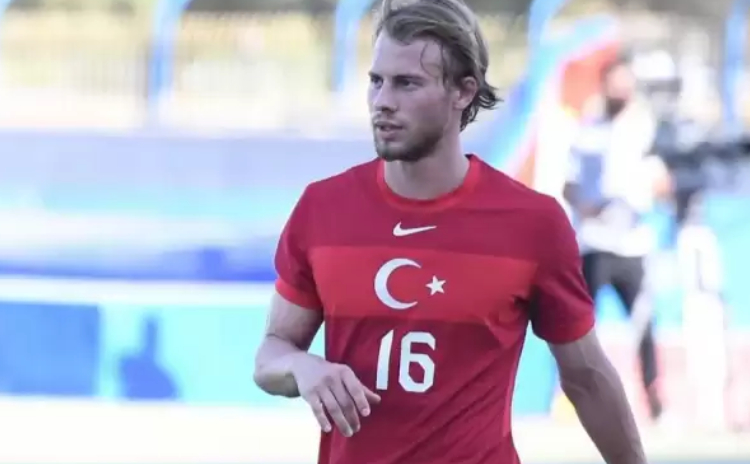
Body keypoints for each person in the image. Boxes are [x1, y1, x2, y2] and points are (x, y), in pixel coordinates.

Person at [254, 1, 645, 463]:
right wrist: (302, 367)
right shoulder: (323, 209)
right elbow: (271, 355)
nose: (383, 101)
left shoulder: (531, 223)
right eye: (376, 81)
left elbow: (586, 376)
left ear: (463, 91)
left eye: (407, 83)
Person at [563, 54, 669, 422]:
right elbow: (569, 183)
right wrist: (588, 206)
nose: (621, 89)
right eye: (615, 82)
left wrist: (642, 193)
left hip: (632, 244)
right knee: (579, 326)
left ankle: (653, 398)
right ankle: (574, 396)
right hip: (595, 243)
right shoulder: (587, 131)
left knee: (643, 324)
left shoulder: (645, 130)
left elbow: (663, 182)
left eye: (626, 83)